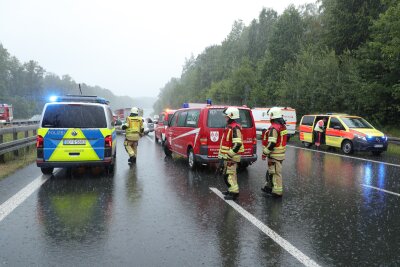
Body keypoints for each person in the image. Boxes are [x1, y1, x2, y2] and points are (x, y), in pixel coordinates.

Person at [217, 107, 244, 200]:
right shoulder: (230, 127)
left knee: (230, 175)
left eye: (227, 117)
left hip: (231, 157)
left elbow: (237, 144)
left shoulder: (235, 128)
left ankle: (234, 193)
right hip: (228, 156)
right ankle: (230, 190)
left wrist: (229, 155)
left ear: (231, 116)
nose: (225, 118)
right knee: (228, 174)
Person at [261, 107, 288, 198]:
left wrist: (264, 153)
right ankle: (268, 187)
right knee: (272, 172)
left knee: (276, 173)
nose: (269, 117)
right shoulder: (282, 126)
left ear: (272, 116)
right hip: (280, 154)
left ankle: (277, 192)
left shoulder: (274, 128)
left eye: (270, 116)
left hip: (274, 154)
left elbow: (272, 143)